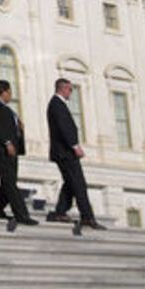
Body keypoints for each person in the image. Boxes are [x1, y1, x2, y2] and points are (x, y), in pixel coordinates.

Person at [46, 78, 105, 229]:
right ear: (63, 88)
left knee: (70, 183)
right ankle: (87, 217)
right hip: (65, 152)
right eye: (70, 90)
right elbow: (63, 127)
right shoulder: (56, 104)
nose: (71, 93)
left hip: (64, 151)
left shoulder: (58, 104)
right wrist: (75, 146)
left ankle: (60, 212)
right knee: (78, 184)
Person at [0, 79, 35, 225]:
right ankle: (22, 215)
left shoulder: (7, 109)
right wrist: (7, 142)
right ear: (2, 91)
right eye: (9, 92)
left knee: (8, 181)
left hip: (11, 150)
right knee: (10, 182)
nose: (11, 95)